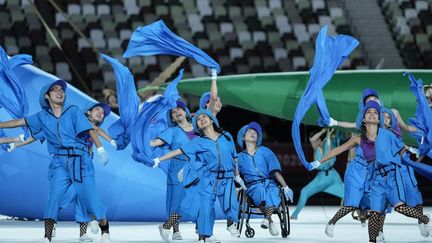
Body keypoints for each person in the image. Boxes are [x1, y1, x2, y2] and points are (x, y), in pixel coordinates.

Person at [0, 80, 112, 243]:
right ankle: (48, 235)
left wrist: (101, 149)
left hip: (81, 162)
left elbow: (90, 129)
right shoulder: (42, 117)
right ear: (47, 96)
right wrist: (13, 140)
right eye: (55, 90)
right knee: (54, 199)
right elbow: (20, 123)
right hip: (59, 162)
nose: (60, 92)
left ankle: (105, 230)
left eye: (62, 90)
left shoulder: (73, 111)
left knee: (91, 199)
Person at [311, 100, 431, 242]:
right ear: (363, 118)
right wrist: (318, 162)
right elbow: (337, 150)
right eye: (369, 112)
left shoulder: (387, 134)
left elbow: (402, 149)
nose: (372, 115)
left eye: (375, 112)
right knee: (374, 217)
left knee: (400, 208)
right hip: (375, 179)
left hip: (392, 176)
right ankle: (374, 238)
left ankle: (424, 219)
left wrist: (415, 152)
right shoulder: (359, 139)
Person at [153, 109, 241, 242]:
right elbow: (178, 151)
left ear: (212, 120)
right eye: (198, 119)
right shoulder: (198, 141)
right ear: (197, 126)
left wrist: (237, 176)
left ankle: (225, 225)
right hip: (205, 177)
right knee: (193, 204)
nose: (201, 120)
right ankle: (202, 235)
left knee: (228, 203)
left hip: (225, 177)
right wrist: (159, 159)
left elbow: (234, 158)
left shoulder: (226, 136)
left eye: (205, 117)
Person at [150, 100, 196, 242]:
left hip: (195, 168)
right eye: (173, 112)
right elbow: (155, 142)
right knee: (176, 200)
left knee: (194, 199)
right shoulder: (172, 131)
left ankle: (202, 230)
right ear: (173, 119)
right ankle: (175, 229)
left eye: (179, 109)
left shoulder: (198, 127)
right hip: (177, 168)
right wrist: (139, 139)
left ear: (185, 111)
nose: (177, 112)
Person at [236, 121, 293, 236]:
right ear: (243, 137)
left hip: (269, 183)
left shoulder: (265, 151)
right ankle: (269, 220)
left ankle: (267, 219)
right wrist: (238, 178)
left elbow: (275, 171)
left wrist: (286, 187)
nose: (252, 133)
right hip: (252, 186)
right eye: (249, 131)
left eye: (255, 132)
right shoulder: (239, 157)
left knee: (273, 191)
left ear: (258, 138)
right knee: (259, 192)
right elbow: (234, 171)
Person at [291, 128, 344, 220]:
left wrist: (324, 131)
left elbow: (313, 139)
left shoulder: (326, 144)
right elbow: (312, 139)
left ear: (319, 139)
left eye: (315, 140)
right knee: (348, 194)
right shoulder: (320, 146)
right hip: (330, 175)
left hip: (326, 177)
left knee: (304, 192)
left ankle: (295, 215)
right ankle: (363, 212)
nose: (312, 143)